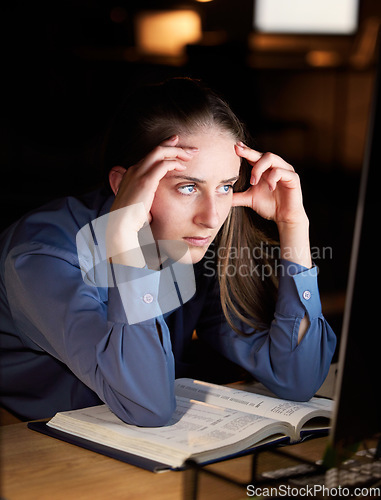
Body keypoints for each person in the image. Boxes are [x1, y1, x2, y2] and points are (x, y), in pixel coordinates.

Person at [0, 78, 336, 425]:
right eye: (188, 187)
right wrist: (125, 241)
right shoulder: (42, 259)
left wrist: (293, 224)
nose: (211, 218)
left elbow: (298, 379)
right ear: (122, 184)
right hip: (32, 446)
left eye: (224, 187)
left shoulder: (192, 242)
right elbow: (149, 407)